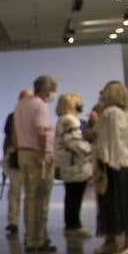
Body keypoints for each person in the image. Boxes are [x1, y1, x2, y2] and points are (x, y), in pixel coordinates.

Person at [94, 82, 128, 254]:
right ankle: (123, 243)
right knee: (127, 205)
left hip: (113, 165)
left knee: (112, 205)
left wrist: (104, 163)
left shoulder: (109, 114)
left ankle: (117, 243)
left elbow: (107, 142)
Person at [13, 75, 58, 253]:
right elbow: (41, 131)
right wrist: (41, 153)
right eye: (53, 88)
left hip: (23, 153)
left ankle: (32, 237)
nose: (54, 92)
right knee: (40, 198)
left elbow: (16, 133)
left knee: (30, 197)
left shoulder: (21, 104)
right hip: (37, 155)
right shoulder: (40, 105)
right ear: (46, 89)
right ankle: (36, 239)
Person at [54, 92, 93, 239]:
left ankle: (72, 224)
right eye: (79, 102)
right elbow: (74, 142)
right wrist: (91, 150)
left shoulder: (64, 119)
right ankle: (73, 225)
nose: (81, 104)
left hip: (71, 164)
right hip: (74, 165)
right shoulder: (70, 120)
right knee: (74, 196)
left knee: (72, 195)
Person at [1, 89, 31, 238]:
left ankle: (23, 221)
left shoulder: (14, 117)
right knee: (15, 190)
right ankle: (14, 220)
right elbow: (7, 139)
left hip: (27, 157)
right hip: (17, 156)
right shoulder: (12, 117)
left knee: (22, 192)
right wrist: (5, 157)